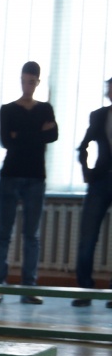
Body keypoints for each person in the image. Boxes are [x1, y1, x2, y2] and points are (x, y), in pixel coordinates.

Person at [0, 61, 58, 304]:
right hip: (10, 176)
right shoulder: (7, 109)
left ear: (37, 82)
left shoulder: (45, 108)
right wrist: (38, 132)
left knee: (32, 235)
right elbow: (6, 141)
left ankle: (29, 287)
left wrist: (22, 133)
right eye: (23, 81)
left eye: (31, 82)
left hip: (36, 177)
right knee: (3, 234)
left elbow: (54, 135)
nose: (26, 86)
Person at [73, 76, 112, 308]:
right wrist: (86, 172)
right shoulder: (99, 115)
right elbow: (83, 146)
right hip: (100, 180)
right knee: (88, 236)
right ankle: (84, 289)